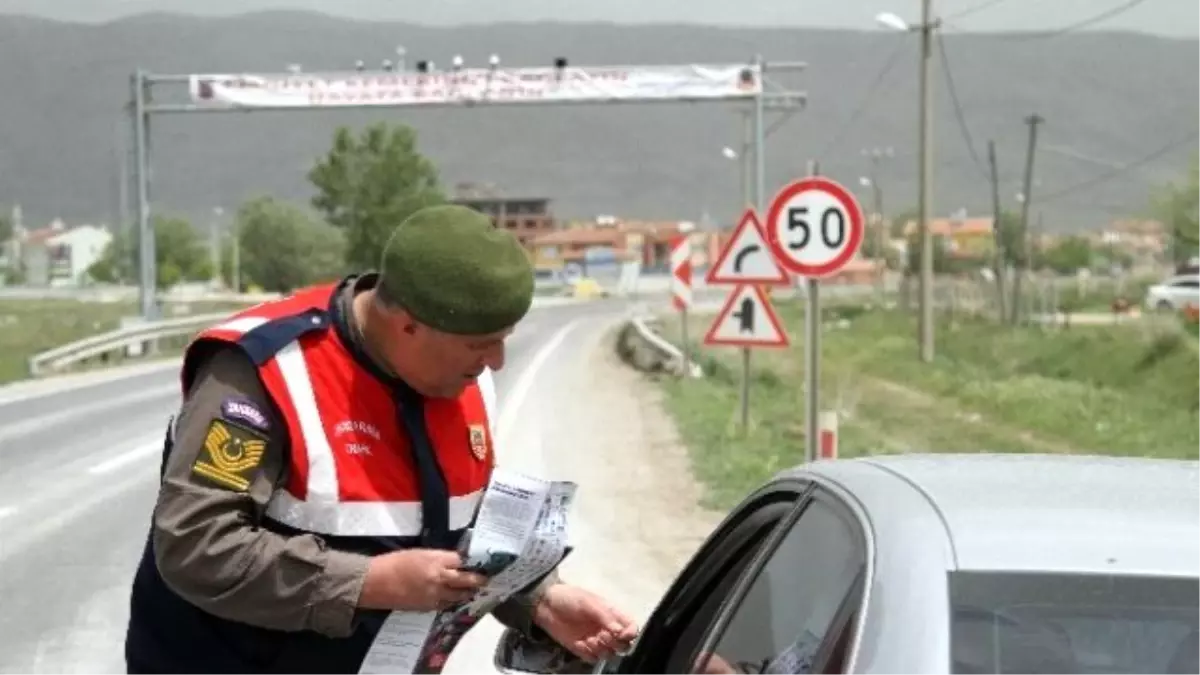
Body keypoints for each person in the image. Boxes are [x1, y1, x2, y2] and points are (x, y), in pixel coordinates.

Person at [123, 204, 639, 674]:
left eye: (502, 341)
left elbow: (463, 535)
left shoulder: (461, 376)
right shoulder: (263, 375)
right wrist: (369, 583)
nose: (495, 363)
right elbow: (195, 546)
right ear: (405, 324)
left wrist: (540, 602)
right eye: (480, 344)